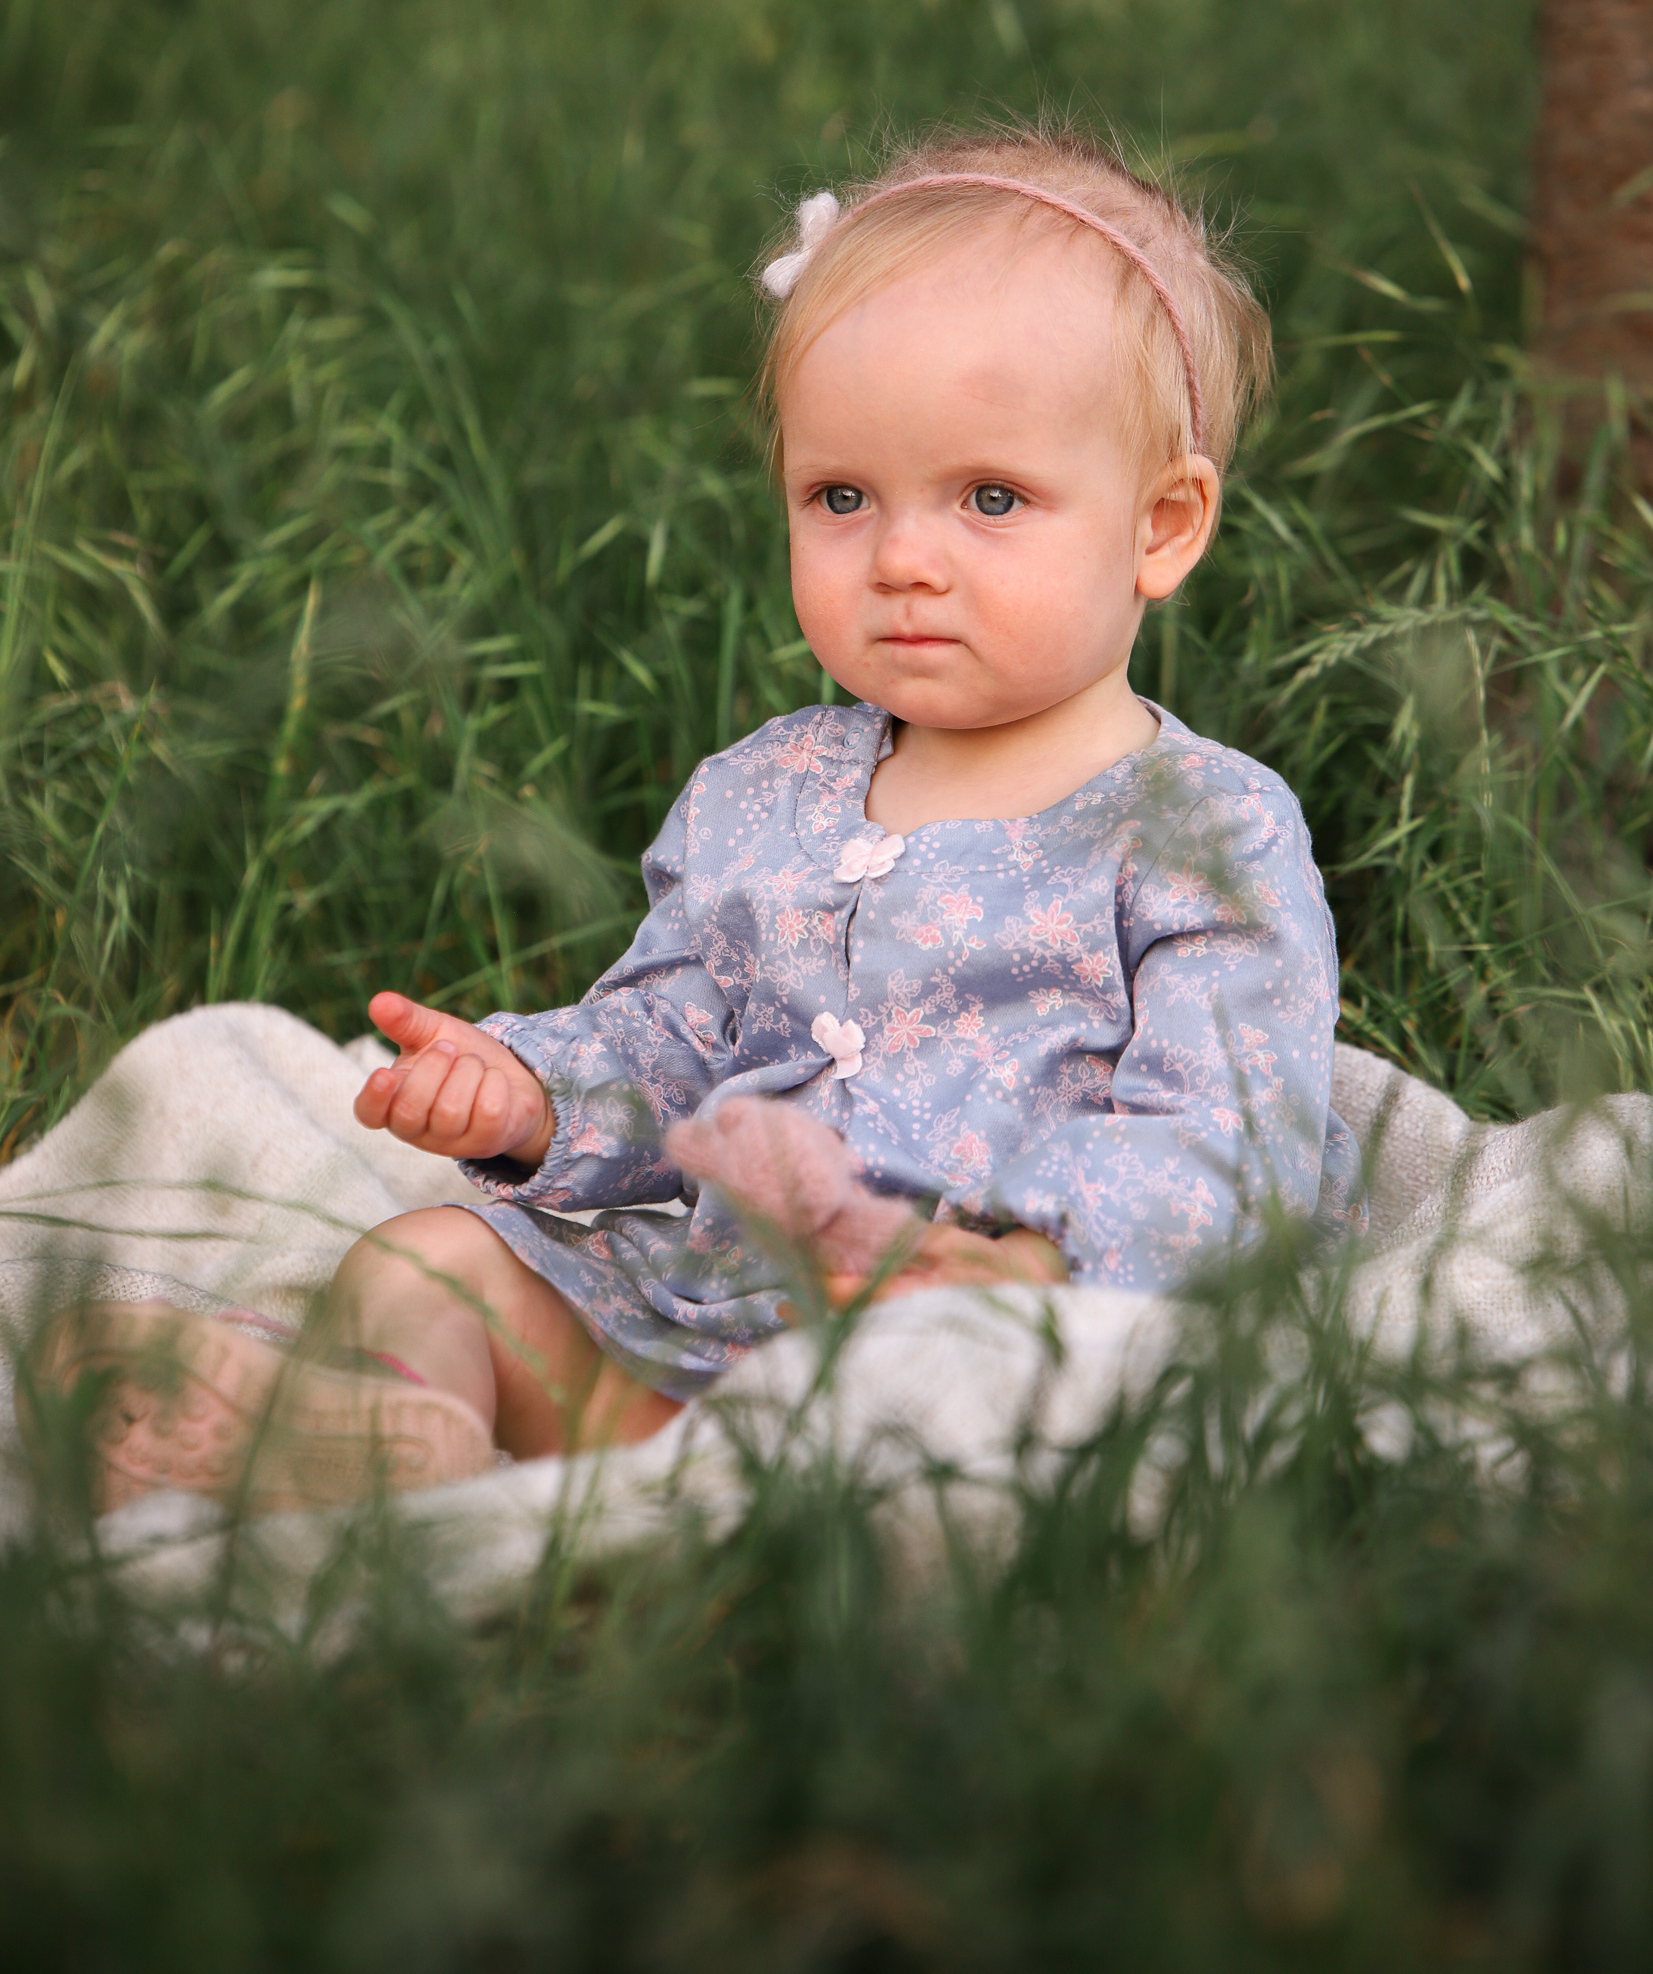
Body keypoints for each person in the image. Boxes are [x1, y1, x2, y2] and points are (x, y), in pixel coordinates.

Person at [33, 126, 1365, 1513]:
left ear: (1161, 526)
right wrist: (533, 1095)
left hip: (971, 1329)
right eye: (840, 497)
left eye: (989, 499)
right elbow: (666, 1037)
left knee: (957, 1405)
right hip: (701, 1318)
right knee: (432, 1254)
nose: (904, 559)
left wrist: (1036, 1252)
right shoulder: (763, 792)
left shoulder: (1202, 828)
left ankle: (605, 1494)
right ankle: (386, 1440)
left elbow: (1232, 1136)